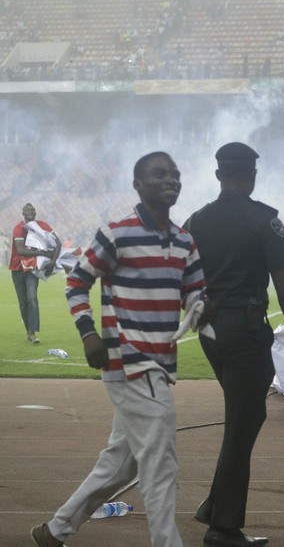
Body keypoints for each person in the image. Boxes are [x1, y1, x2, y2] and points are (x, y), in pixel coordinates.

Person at [30, 152, 207, 547]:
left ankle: (55, 530)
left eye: (175, 175)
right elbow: (77, 282)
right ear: (138, 185)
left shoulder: (184, 242)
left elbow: (195, 293)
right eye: (159, 174)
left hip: (159, 364)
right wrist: (88, 333)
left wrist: (201, 308)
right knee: (160, 464)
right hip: (127, 361)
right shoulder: (115, 234)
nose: (171, 180)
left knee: (122, 464)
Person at [184, 142, 284, 547]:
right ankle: (222, 528)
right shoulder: (266, 222)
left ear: (218, 174)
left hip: (209, 331)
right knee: (243, 423)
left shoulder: (196, 221)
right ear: (253, 174)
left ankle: (215, 505)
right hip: (245, 332)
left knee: (246, 417)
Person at [9, 203, 61, 344]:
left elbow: (59, 243)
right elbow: (20, 250)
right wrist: (43, 253)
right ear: (23, 213)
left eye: (32, 209)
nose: (30, 211)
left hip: (33, 269)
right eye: (27, 209)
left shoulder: (42, 225)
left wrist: (53, 262)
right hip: (17, 269)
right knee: (23, 303)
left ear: (36, 212)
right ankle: (28, 331)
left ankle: (32, 333)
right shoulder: (18, 228)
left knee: (32, 298)